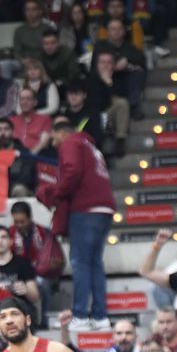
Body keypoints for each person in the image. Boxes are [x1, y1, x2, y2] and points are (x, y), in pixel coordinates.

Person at [44, 121, 115, 332]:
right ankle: (100, 316)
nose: (54, 143)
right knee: (94, 263)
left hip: (86, 208)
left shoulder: (71, 142)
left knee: (80, 262)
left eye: (54, 137)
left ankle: (81, 315)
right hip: (104, 207)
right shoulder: (90, 146)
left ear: (62, 132)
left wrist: (57, 192)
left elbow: (72, 171)